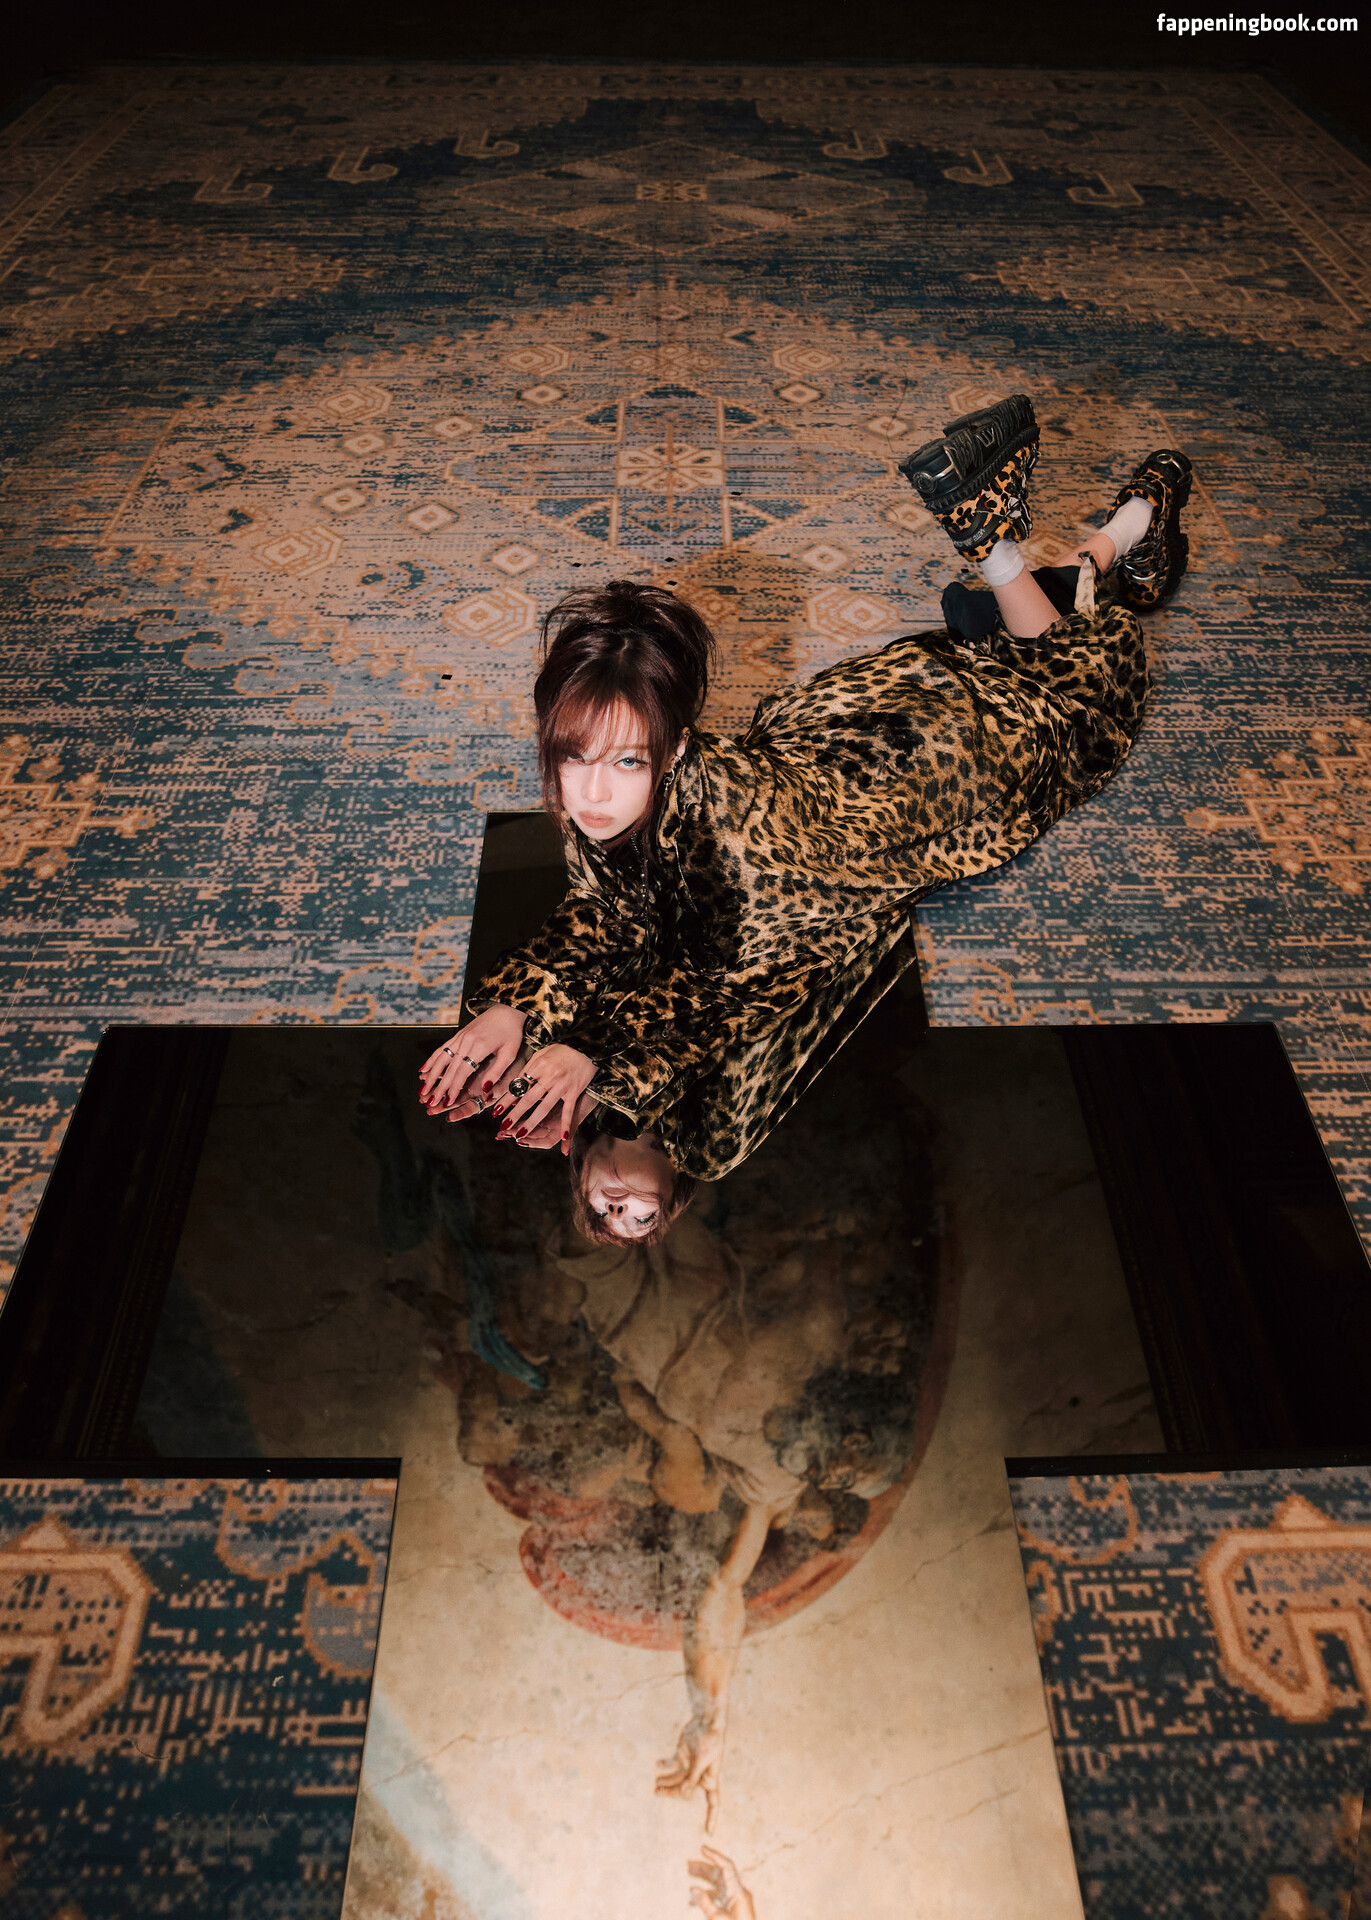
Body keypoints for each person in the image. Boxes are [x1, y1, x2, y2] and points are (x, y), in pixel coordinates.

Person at [419, 395, 1191, 1197]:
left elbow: (735, 990)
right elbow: (608, 908)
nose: (590, 794)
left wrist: (595, 1056)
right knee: (1031, 637)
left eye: (625, 762)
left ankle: (1022, 543)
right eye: (571, 756)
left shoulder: (741, 861)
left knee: (1075, 701)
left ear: (674, 748)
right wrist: (517, 1007)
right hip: (845, 734)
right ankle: (1096, 528)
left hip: (937, 775)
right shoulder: (642, 785)